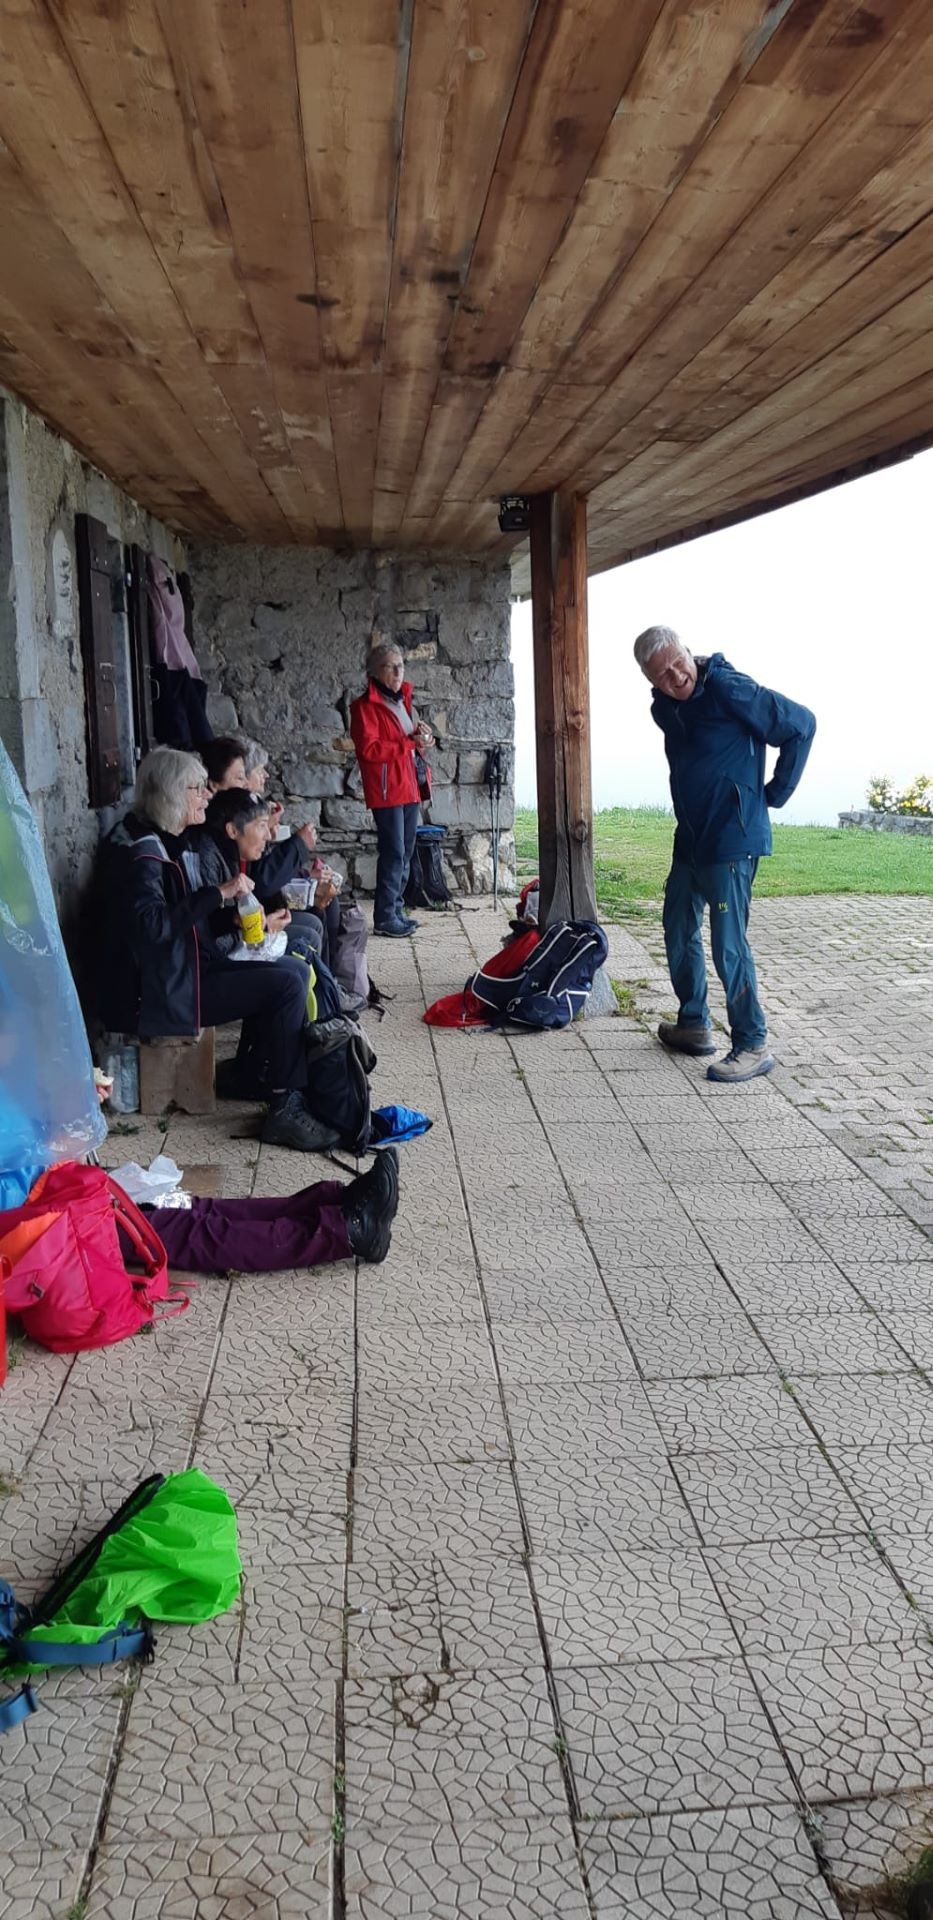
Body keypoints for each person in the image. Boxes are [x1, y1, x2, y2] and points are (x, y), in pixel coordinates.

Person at [95, 747, 340, 1151]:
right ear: (171, 794)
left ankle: (252, 1074)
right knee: (286, 984)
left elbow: (185, 922)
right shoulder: (143, 852)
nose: (207, 796)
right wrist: (219, 894)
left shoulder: (160, 839)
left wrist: (233, 921)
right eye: (197, 789)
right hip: (156, 994)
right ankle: (285, 1108)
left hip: (177, 972)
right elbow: (151, 926)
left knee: (292, 971)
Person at [633, 626, 816, 1083]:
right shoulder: (664, 708)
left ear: (688, 651)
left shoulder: (729, 688)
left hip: (732, 840)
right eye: (662, 674)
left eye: (678, 663)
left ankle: (752, 1043)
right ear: (650, 681)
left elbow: (801, 724)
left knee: (728, 945)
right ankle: (693, 1022)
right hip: (692, 840)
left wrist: (772, 795)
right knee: (678, 926)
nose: (676, 676)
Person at [350, 643, 434, 937]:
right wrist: (410, 743)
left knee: (406, 850)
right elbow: (370, 750)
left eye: (401, 665)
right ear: (374, 672)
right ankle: (385, 917)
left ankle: (396, 910)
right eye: (391, 666)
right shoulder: (364, 708)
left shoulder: (402, 700)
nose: (399, 672)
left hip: (408, 785)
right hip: (387, 790)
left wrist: (423, 739)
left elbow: (406, 744)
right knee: (394, 851)